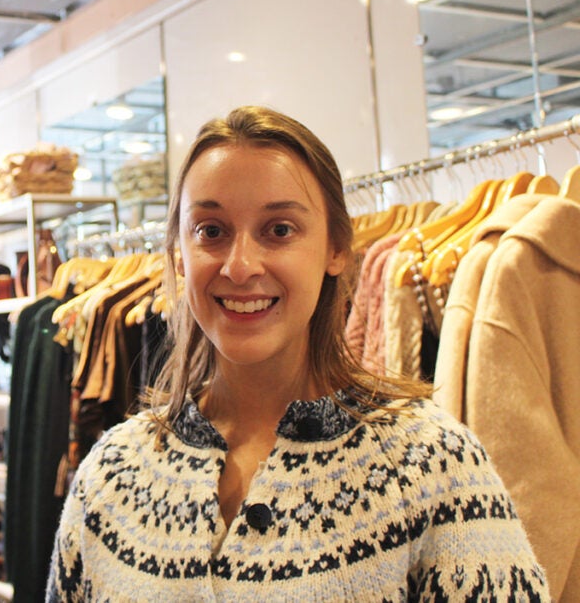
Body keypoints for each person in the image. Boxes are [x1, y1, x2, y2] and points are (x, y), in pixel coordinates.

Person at [46, 106, 549, 601]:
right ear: (180, 254)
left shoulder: (432, 467)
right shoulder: (110, 476)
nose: (240, 267)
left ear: (336, 249)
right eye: (211, 232)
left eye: (279, 230)